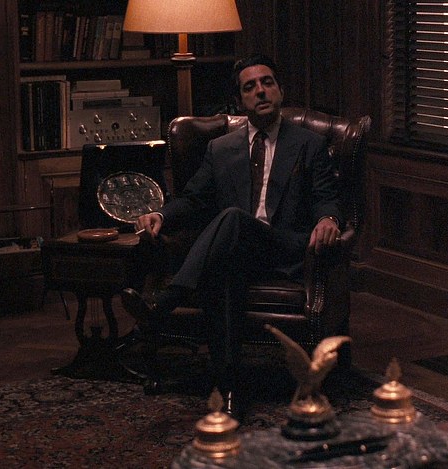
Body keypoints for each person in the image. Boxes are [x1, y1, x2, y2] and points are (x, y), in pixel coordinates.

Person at [120, 54, 342, 419]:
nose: (261, 91)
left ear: (280, 90)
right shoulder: (220, 149)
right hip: (237, 250)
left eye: (267, 82)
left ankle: (165, 302)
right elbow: (193, 199)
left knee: (233, 219)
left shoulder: (309, 144)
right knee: (223, 268)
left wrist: (328, 218)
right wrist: (160, 214)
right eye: (250, 87)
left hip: (282, 249)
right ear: (240, 101)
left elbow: (326, 197)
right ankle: (229, 390)